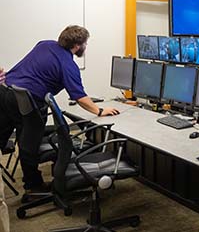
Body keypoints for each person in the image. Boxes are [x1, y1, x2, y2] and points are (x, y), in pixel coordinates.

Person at [0, 26, 120, 193]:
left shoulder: (45, 44)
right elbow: (79, 97)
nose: (85, 47)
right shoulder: (68, 65)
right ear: (77, 46)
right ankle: (33, 186)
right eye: (85, 44)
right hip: (26, 100)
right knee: (29, 142)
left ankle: (26, 182)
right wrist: (100, 111)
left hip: (5, 90)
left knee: (12, 137)